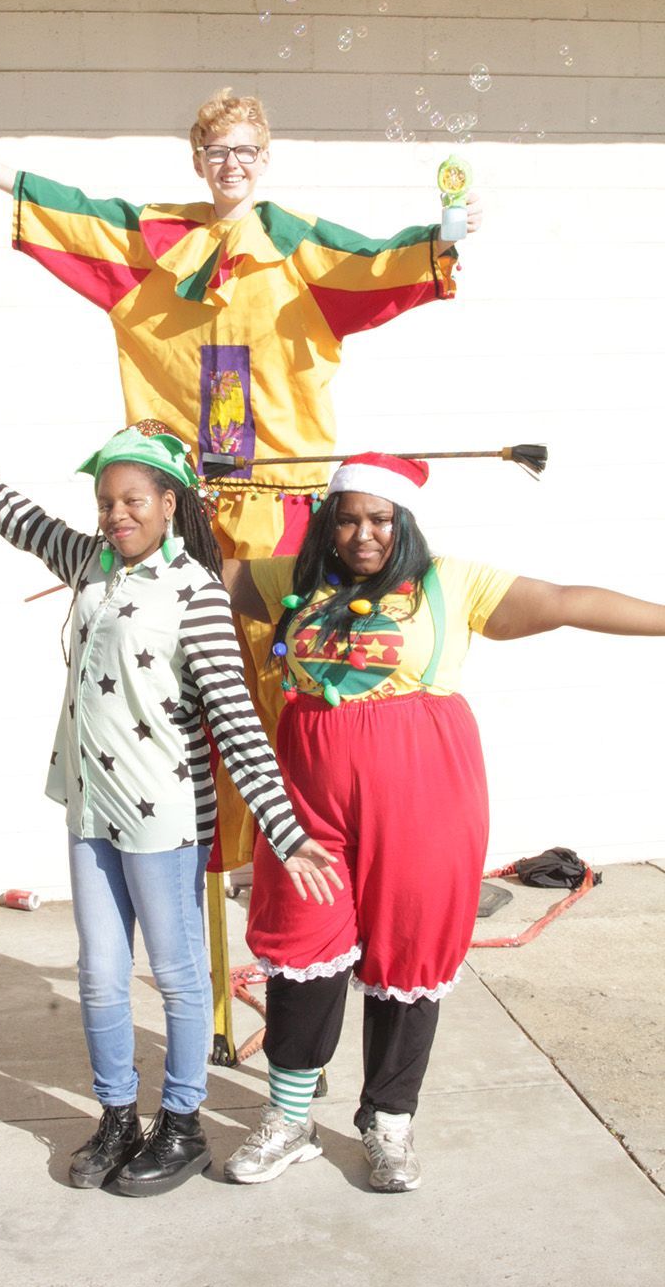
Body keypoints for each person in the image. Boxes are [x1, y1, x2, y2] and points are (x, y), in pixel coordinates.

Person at [0, 91, 482, 868]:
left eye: (245, 151)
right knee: (182, 676)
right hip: (186, 513)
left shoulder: (300, 248)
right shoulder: (156, 243)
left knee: (283, 672)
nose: (231, 165)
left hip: (280, 510)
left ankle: (296, 850)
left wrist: (442, 235)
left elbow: (379, 262)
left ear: (265, 159)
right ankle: (198, 852)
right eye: (217, 151)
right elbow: (79, 216)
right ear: (197, 160)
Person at [0, 416, 340, 1196]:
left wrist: (285, 830)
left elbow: (237, 723)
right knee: (101, 975)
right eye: (106, 501)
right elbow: (21, 520)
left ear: (170, 504)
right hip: (90, 809)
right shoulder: (91, 565)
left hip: (165, 818)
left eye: (133, 500)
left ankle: (182, 1124)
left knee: (177, 976)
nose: (116, 514)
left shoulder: (196, 594)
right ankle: (117, 1116)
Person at [221, 451, 665, 1191]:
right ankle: (291, 1120)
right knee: (302, 945)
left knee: (411, 947)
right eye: (349, 519)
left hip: (424, 792)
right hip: (309, 796)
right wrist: (168, 492)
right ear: (329, 524)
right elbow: (189, 570)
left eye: (380, 519)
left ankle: (388, 1122)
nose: (364, 534)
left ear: (404, 521)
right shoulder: (292, 578)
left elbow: (566, 600)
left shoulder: (451, 582)